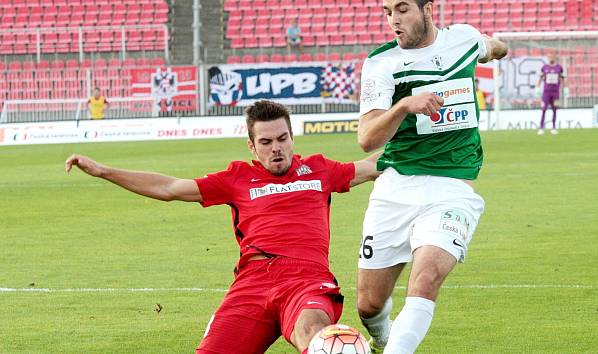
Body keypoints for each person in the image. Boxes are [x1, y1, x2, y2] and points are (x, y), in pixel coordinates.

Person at [65, 100, 380, 354]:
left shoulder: (319, 170)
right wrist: (103, 171)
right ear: (252, 146)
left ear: (292, 138)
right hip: (252, 283)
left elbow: (373, 166)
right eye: (266, 142)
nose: (277, 148)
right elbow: (170, 188)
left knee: (315, 335)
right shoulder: (237, 178)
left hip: (306, 279)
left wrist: (423, 130)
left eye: (283, 139)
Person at [355, 1, 508, 353]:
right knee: (369, 304)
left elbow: (491, 46)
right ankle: (382, 336)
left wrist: (499, 48)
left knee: (424, 280)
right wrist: (404, 105)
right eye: (387, 11)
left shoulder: (464, 40)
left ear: (428, 9)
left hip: (451, 189)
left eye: (403, 9)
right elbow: (367, 139)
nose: (393, 19)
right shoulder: (382, 63)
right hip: (395, 187)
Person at [536, 53, 564, 135]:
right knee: (544, 109)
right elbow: (541, 78)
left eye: (552, 57)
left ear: (555, 58)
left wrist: (565, 88)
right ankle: (541, 127)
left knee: (555, 109)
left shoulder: (559, 68)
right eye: (549, 57)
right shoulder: (544, 67)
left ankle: (554, 127)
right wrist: (537, 87)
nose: (551, 58)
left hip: (556, 92)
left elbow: (562, 79)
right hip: (546, 92)